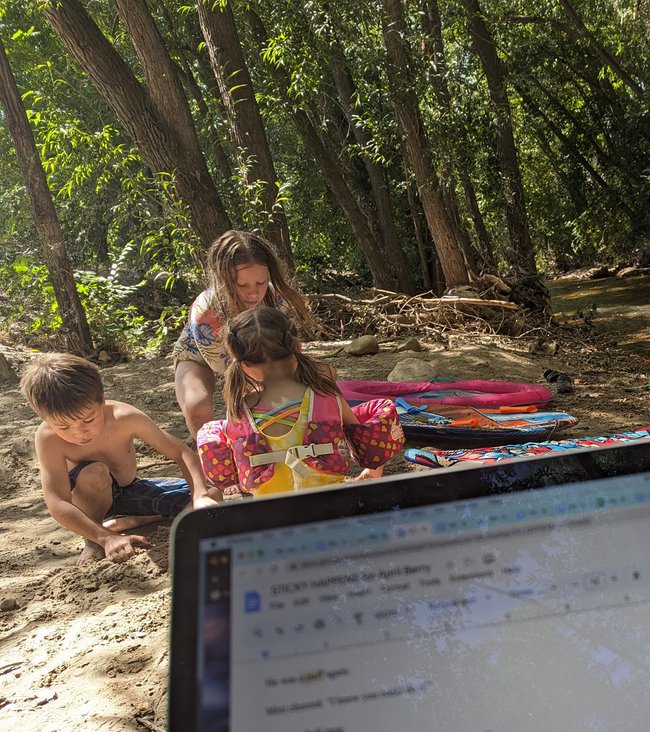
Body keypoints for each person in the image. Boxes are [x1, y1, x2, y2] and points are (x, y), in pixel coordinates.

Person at [21, 354, 220, 564]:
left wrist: (200, 496)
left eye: (88, 419)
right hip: (89, 505)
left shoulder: (124, 417)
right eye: (63, 427)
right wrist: (106, 539)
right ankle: (95, 538)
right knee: (94, 472)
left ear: (102, 400)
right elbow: (57, 501)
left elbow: (180, 452)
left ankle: (126, 522)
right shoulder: (48, 439)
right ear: (45, 418)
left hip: (131, 490)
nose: (79, 432)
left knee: (213, 495)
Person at [197, 307, 403, 497]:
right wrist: (371, 473)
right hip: (329, 504)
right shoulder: (326, 395)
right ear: (297, 347)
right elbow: (367, 442)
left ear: (244, 366)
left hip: (270, 514)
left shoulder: (238, 410)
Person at [172, 230, 322, 437]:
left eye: (261, 283)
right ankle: (211, 459)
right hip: (201, 355)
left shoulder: (278, 299)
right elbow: (229, 371)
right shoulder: (206, 311)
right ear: (223, 279)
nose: (253, 292)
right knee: (196, 406)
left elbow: (290, 352)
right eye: (242, 285)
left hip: (260, 354)